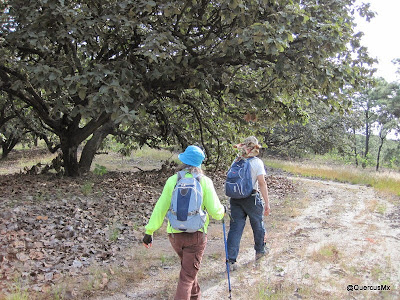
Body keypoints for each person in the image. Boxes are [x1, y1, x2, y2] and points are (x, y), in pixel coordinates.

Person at [142, 145, 225, 300]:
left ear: (183, 161)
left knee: (188, 269)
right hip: (196, 236)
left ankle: (195, 297)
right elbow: (216, 212)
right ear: (200, 163)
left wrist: (149, 231)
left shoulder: (173, 180)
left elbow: (160, 207)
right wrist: (223, 211)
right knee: (187, 276)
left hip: (175, 236)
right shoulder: (205, 181)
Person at [226, 136, 270, 270]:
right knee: (257, 225)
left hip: (235, 199)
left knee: (235, 228)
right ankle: (260, 251)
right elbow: (261, 183)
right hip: (251, 197)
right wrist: (267, 203)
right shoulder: (257, 163)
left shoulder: (236, 161)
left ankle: (231, 261)